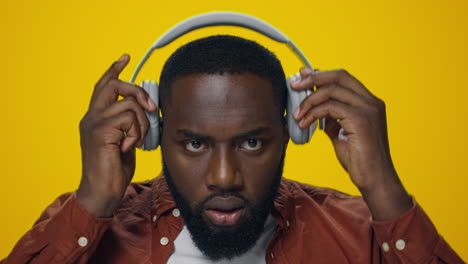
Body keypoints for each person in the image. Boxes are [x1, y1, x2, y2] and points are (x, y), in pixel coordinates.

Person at [1, 35, 464, 264]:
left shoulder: (362, 233)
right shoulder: (86, 227)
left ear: (293, 131)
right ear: (153, 136)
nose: (224, 176)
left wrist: (383, 187)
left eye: (251, 141)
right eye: (195, 143)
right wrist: (93, 201)